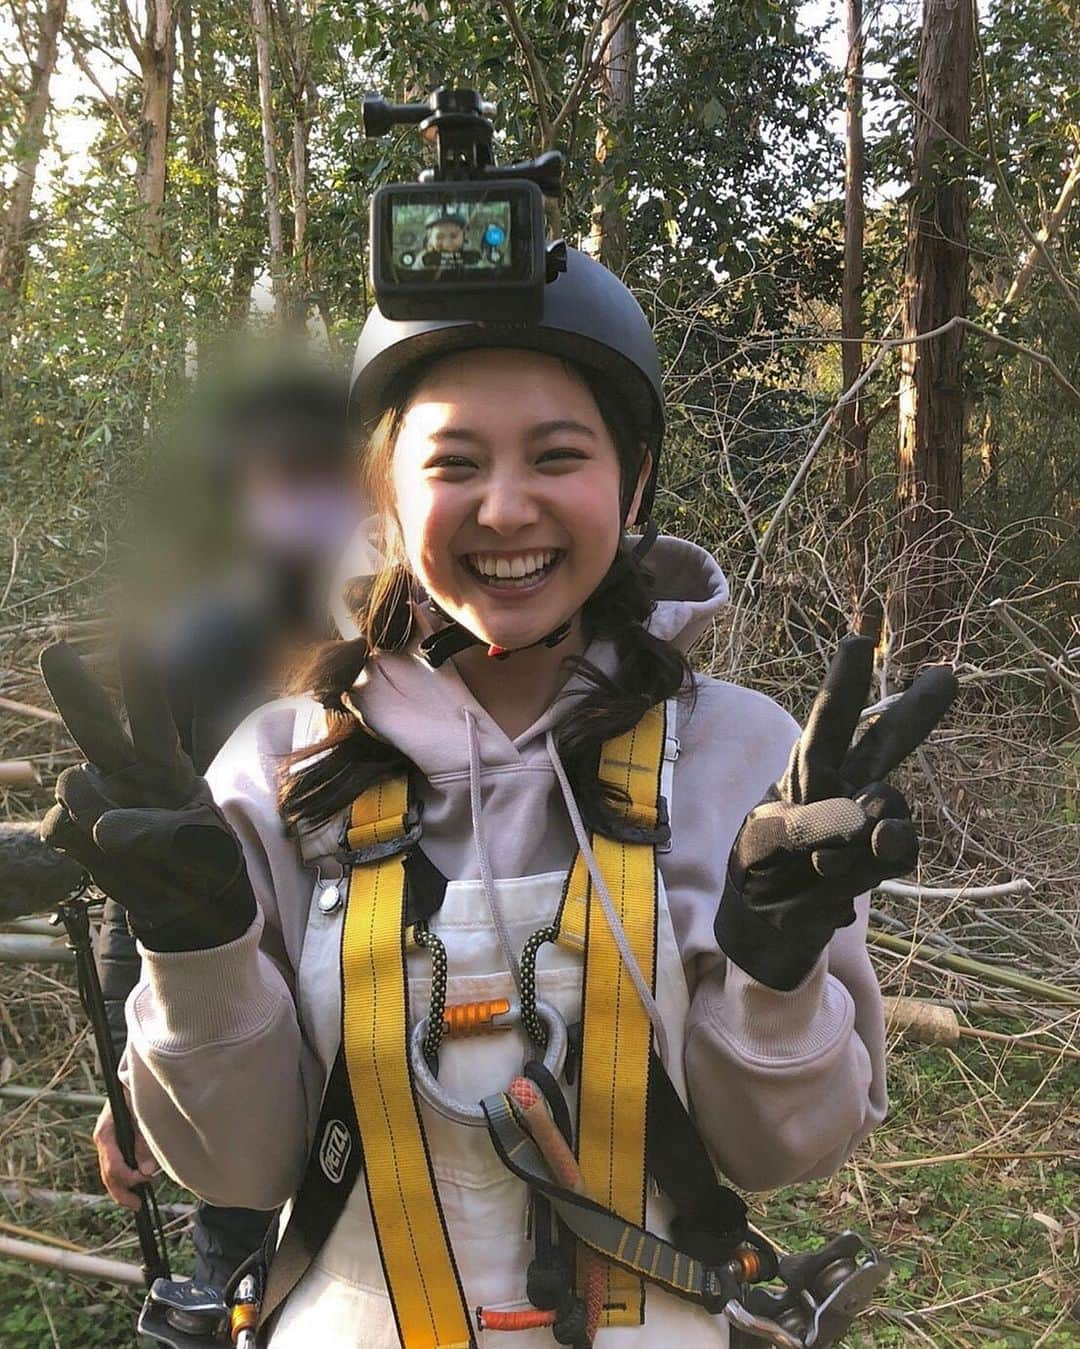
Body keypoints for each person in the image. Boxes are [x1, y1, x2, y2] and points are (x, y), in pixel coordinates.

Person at [39, 248, 956, 1346]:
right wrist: (195, 955)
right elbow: (240, 1166)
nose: (506, 506)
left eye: (559, 455)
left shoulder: (742, 757)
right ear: (386, 491)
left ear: (636, 475)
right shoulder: (281, 768)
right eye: (455, 461)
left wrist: (777, 972)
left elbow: (779, 1153)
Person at [90, 360, 361, 1293]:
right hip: (232, 1049)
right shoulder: (197, 650)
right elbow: (150, 873)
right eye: (278, 478)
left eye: (327, 476)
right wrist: (128, 1082)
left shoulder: (422, 632)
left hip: (391, 1079)